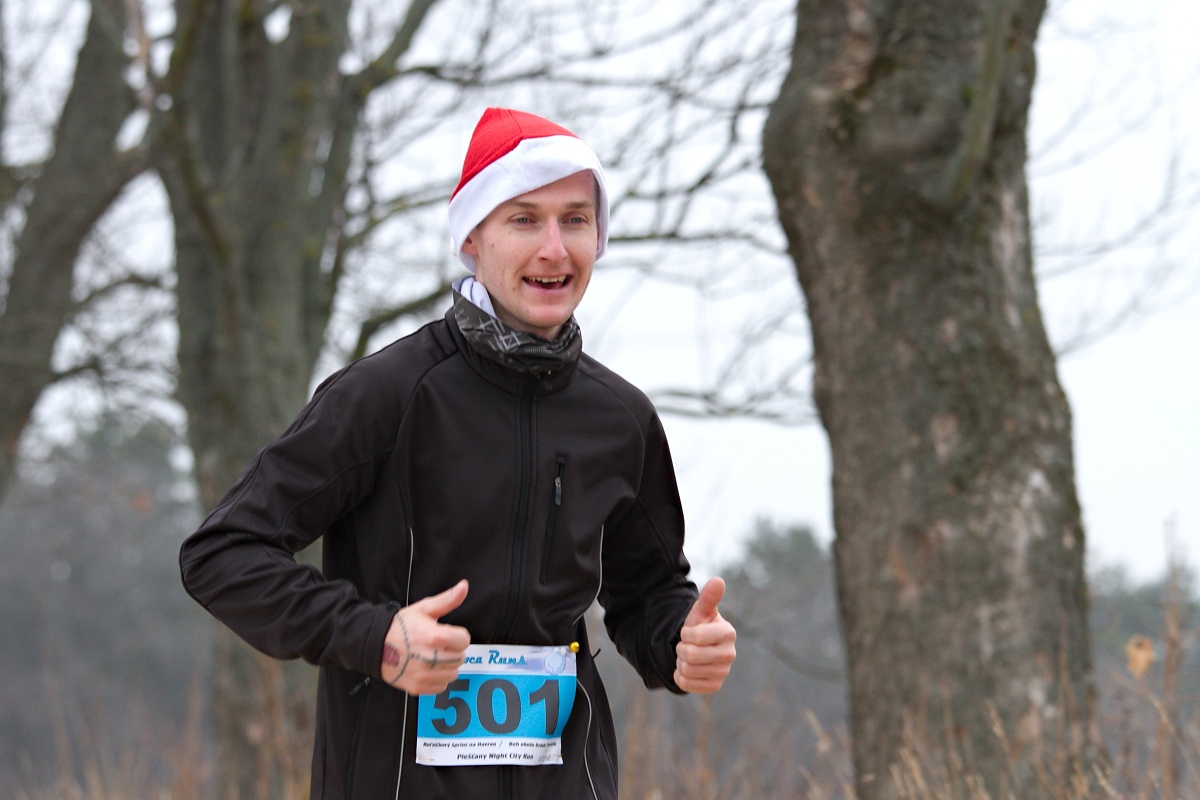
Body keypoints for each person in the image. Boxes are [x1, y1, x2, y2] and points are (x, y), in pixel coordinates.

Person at [180, 107, 737, 800]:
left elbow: (647, 593)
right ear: (472, 235)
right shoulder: (385, 396)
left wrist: (681, 643)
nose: (554, 249)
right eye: (524, 219)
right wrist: (376, 636)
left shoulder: (620, 419)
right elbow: (222, 555)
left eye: (575, 220)